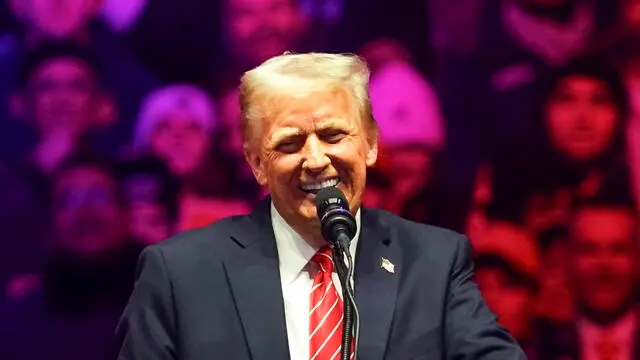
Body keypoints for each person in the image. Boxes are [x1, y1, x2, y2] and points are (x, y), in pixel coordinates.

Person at [116, 52, 525, 359]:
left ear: (370, 145)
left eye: (333, 136)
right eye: (289, 143)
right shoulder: (180, 273)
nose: (315, 160)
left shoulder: (433, 262)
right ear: (257, 163)